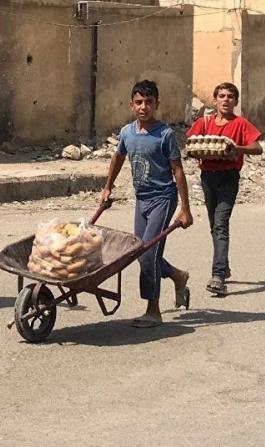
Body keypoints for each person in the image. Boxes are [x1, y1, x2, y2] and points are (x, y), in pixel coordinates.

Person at [101, 80, 193, 328]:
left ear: (156, 104)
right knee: (139, 251)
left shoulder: (165, 135)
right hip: (141, 198)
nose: (144, 107)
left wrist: (185, 209)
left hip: (163, 198)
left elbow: (178, 170)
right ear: (131, 105)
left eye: (149, 102)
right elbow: (118, 157)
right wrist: (108, 186)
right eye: (139, 102)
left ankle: (153, 311)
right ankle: (177, 275)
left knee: (148, 253)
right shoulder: (127, 133)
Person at [187, 82, 262, 296]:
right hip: (207, 177)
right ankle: (224, 265)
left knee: (220, 224)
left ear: (236, 101)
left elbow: (258, 148)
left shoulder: (241, 124)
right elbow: (191, 143)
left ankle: (218, 276)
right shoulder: (204, 122)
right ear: (215, 100)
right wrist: (196, 151)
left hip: (229, 177)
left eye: (230, 96)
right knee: (214, 224)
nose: (226, 100)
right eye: (221, 96)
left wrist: (237, 149)